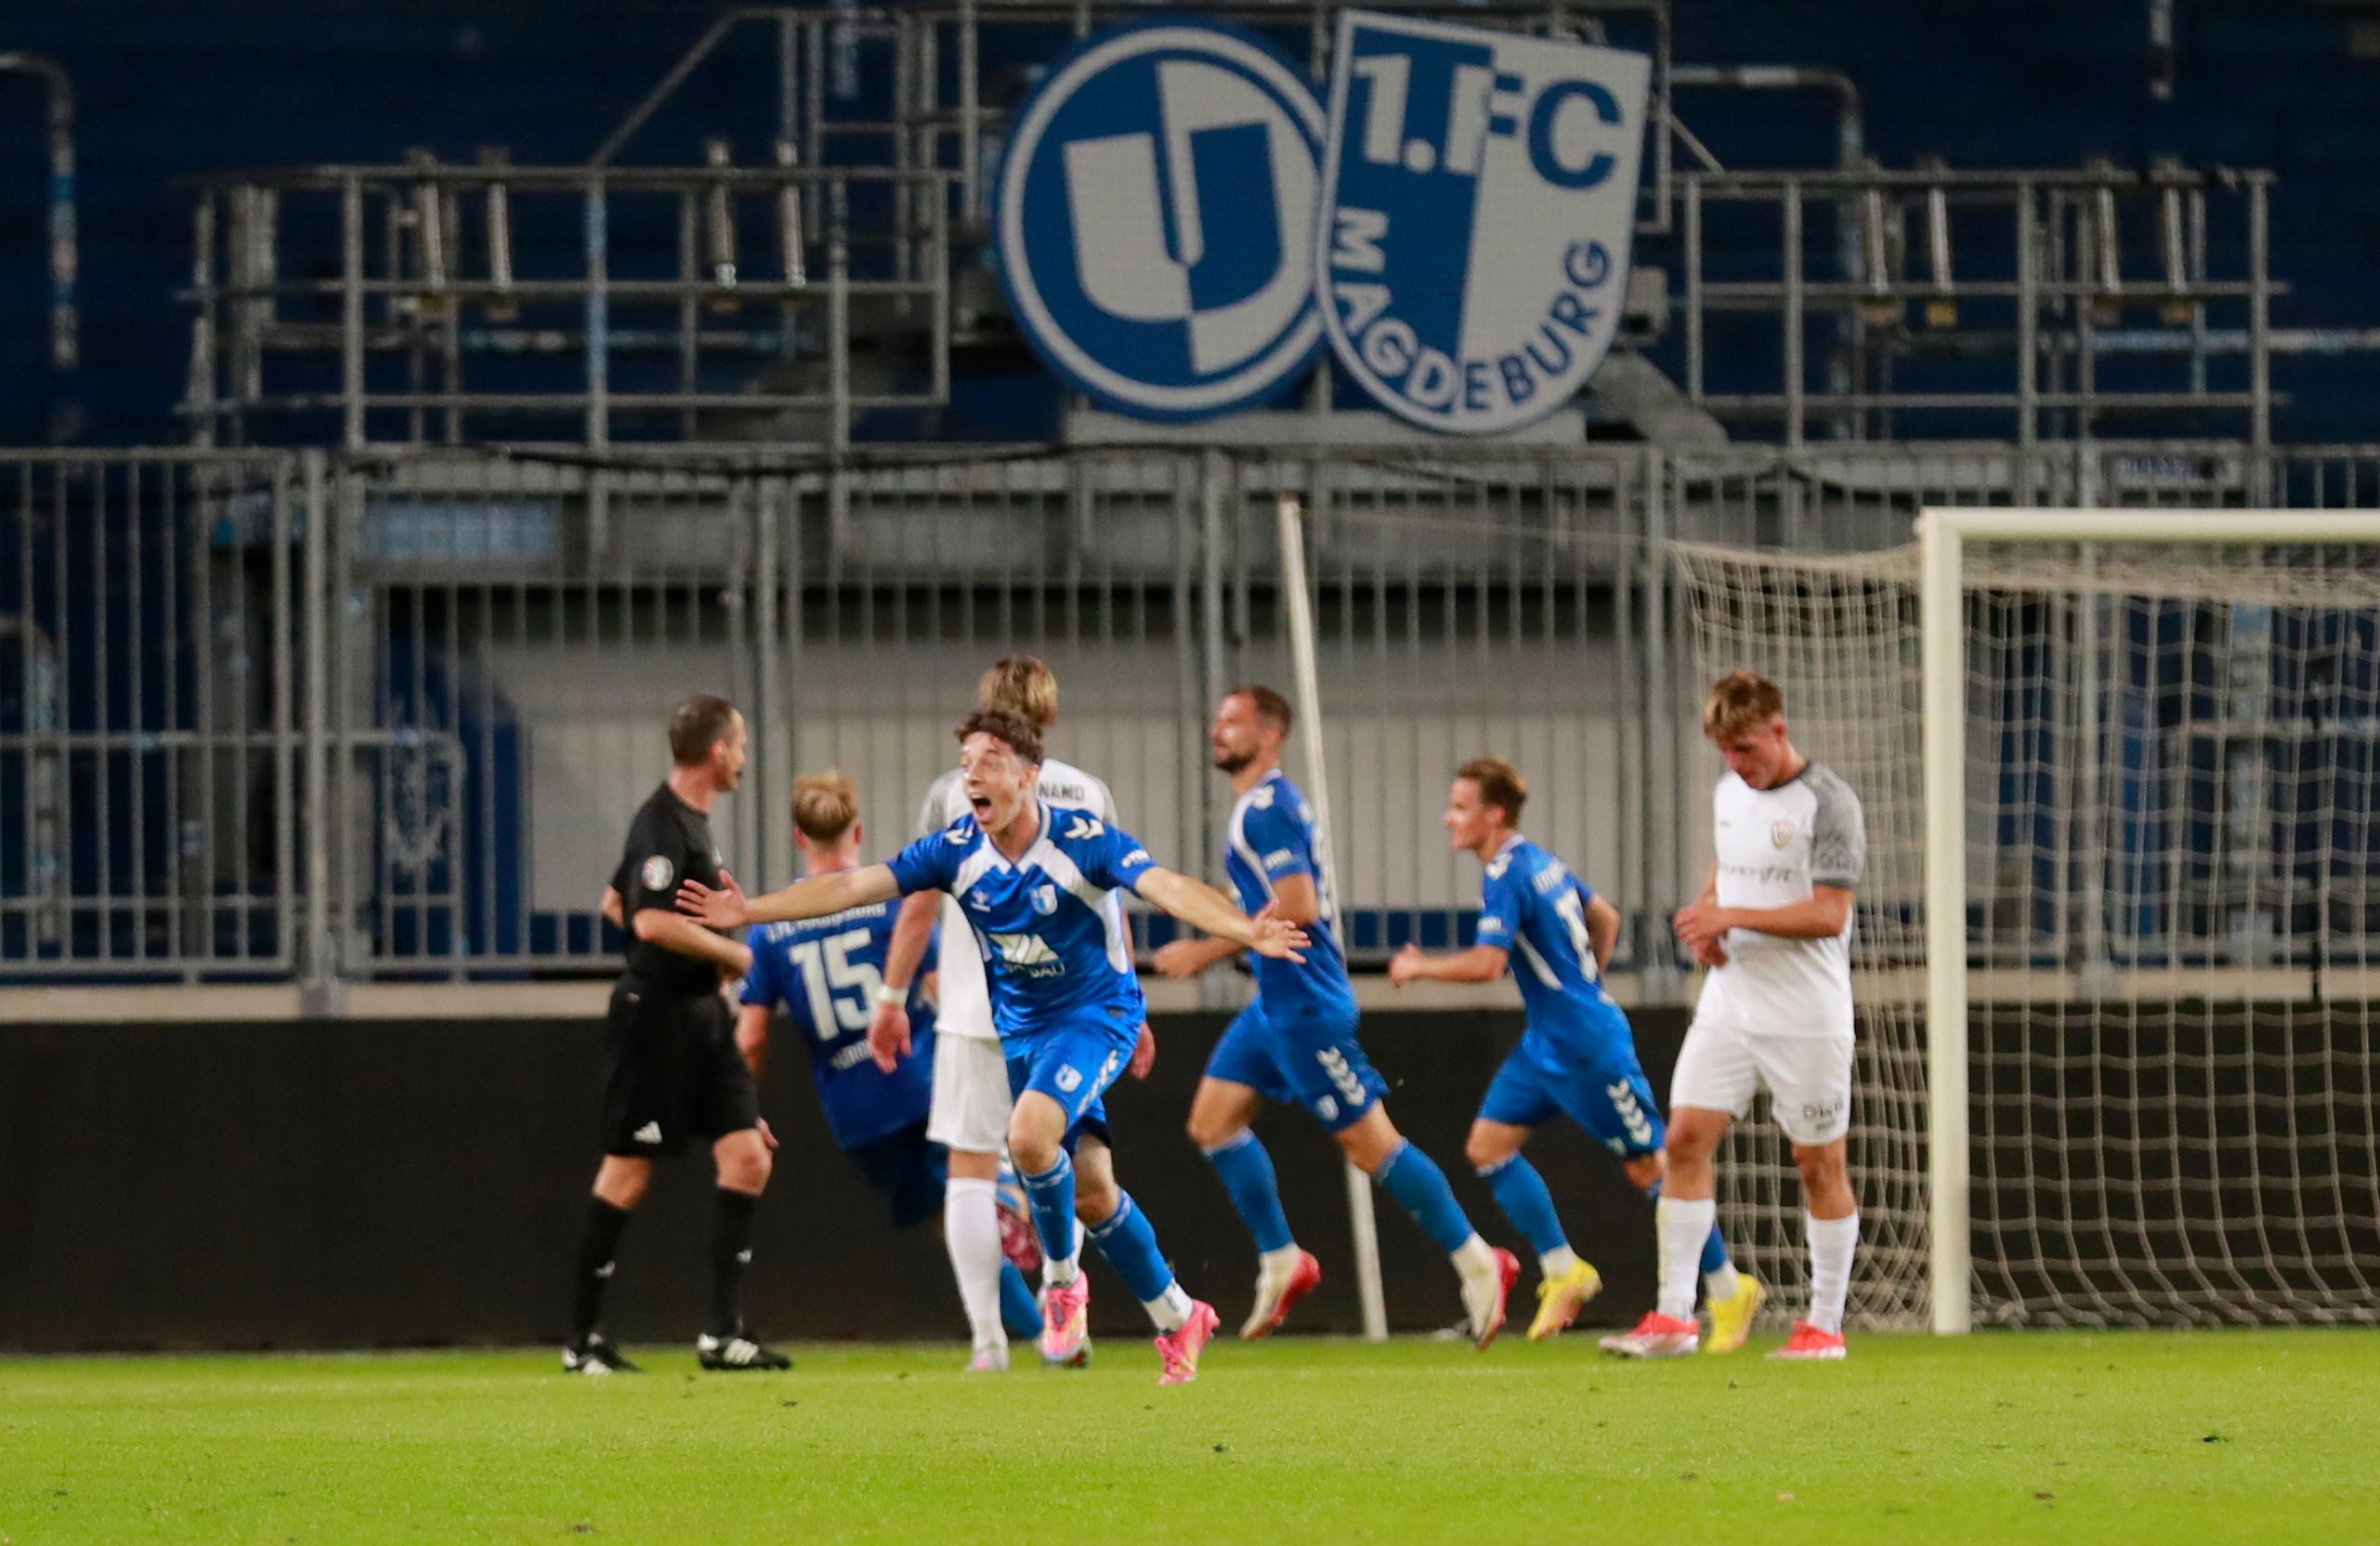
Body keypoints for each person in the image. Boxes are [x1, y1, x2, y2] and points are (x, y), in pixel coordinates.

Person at [682, 708, 1306, 1384]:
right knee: (1093, 1190)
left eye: (991, 761)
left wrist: (1245, 930)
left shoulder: (1083, 841)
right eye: (967, 762)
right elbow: (853, 885)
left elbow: (1167, 887)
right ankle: (1181, 1314)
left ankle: (1062, 1288)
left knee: (1030, 1137)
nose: (972, 774)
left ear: (1030, 776)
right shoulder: (956, 849)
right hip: (1025, 1033)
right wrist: (751, 912)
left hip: (1096, 1018)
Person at [1156, 688, 1521, 1347]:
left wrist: (1207, 949)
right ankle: (1281, 1258)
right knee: (1211, 1122)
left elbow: (1297, 907)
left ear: (1270, 735)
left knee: (1369, 1145)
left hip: (1306, 1005)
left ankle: (1477, 1260)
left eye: (1232, 722)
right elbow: (1260, 900)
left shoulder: (1267, 809)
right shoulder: (1262, 807)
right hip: (1274, 1001)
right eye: (1216, 720)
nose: (1217, 730)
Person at [1387, 757, 1762, 1349]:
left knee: (1651, 1167)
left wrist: (1418, 965)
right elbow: (1604, 915)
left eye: (1459, 808)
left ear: (1494, 814)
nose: (1447, 818)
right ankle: (1564, 1269)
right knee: (1488, 1148)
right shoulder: (1540, 860)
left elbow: (1489, 964)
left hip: (1587, 1046)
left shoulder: (1507, 873)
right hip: (1547, 1041)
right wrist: (1587, 978)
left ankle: (1725, 1289)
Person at [867, 657, 1149, 1369]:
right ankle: (1069, 1326)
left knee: (967, 1168)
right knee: (1067, 1160)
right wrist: (1135, 1005)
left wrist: (893, 997)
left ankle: (990, 1342)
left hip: (971, 1005)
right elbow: (1111, 904)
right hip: (1071, 1011)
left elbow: (917, 906)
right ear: (1047, 721)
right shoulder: (1086, 791)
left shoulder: (951, 791)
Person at [732, 770, 1042, 1369]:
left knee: (946, 1217)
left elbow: (750, 1038)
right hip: (920, 1082)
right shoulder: (891, 905)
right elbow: (940, 988)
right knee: (973, 1187)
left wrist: (746, 1113)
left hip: (855, 1116)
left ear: (799, 838)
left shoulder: (773, 929)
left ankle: (1024, 1330)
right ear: (859, 830)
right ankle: (1018, 1228)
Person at [1615, 671, 1865, 1361]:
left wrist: (1733, 915)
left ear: (1780, 731)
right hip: (1730, 1002)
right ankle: (1673, 1318)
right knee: (1685, 1142)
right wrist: (1706, 921)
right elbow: (1727, 869)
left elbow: (1830, 912)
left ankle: (1824, 1327)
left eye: (1748, 749)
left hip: (1806, 1014)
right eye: (1727, 751)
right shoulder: (1731, 792)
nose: (1738, 764)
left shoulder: (1829, 803)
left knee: (1818, 1163)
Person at [566, 694, 789, 1375]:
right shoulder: (660, 822)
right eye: (742, 745)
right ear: (718, 751)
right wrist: (733, 955)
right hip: (657, 1016)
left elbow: (615, 899)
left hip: (702, 1015)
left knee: (749, 1154)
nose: (745, 758)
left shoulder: (691, 824)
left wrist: (705, 966)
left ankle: (722, 1336)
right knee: (628, 1173)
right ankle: (582, 1343)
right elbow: (647, 922)